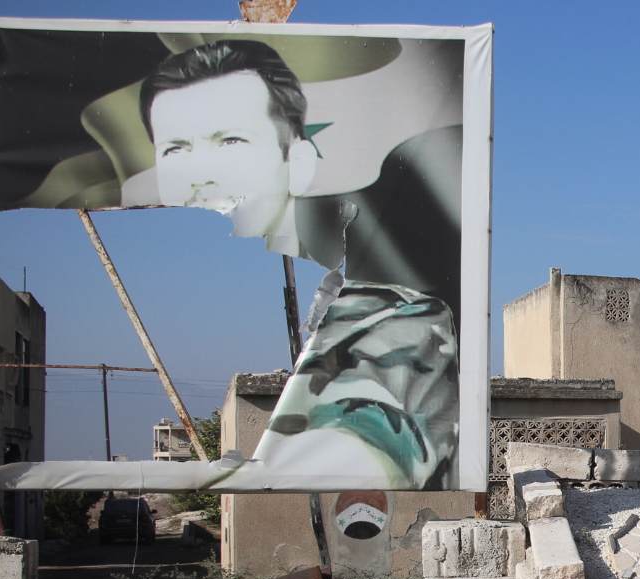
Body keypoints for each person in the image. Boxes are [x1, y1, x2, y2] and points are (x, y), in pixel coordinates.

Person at [139, 40, 458, 488]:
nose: (203, 172)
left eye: (230, 140)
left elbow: (390, 448)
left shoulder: (405, 323)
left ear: (300, 159)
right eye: (175, 148)